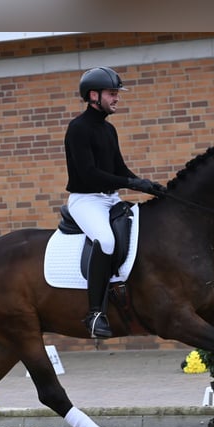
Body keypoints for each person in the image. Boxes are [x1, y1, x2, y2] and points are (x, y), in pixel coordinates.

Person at [64, 66, 163, 338]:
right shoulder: (78, 129)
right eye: (112, 93)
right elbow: (89, 173)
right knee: (106, 241)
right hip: (86, 201)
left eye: (117, 93)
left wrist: (148, 185)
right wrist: (131, 183)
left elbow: (119, 169)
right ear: (93, 95)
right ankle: (95, 313)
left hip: (110, 199)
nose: (116, 98)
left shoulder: (109, 130)